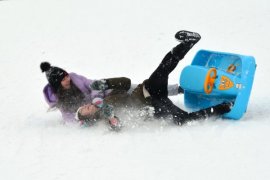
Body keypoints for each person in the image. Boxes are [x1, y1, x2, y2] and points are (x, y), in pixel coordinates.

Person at [76, 30, 232, 127]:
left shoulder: (107, 96)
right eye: (86, 111)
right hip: (156, 107)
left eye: (84, 106)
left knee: (163, 69)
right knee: (184, 120)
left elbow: (127, 83)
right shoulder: (105, 118)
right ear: (91, 118)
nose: (87, 107)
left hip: (147, 90)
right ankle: (224, 107)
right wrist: (111, 116)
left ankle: (187, 43)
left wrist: (107, 83)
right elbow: (117, 126)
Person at [41, 62, 131, 122]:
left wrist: (96, 98)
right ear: (58, 84)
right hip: (94, 110)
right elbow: (67, 116)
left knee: (126, 82)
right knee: (123, 96)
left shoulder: (75, 78)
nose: (68, 79)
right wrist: (80, 119)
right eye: (64, 79)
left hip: (101, 97)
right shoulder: (58, 98)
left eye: (67, 76)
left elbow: (93, 85)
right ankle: (113, 120)